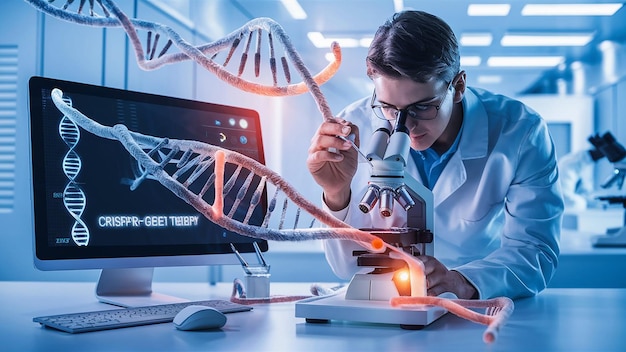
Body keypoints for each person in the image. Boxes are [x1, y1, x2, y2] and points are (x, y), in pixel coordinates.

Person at [306, 10, 563, 300]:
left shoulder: (519, 132)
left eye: (423, 107)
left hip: (476, 297)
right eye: (389, 108)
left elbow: (535, 252)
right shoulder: (355, 125)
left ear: (458, 87)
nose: (407, 125)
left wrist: (463, 282)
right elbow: (345, 267)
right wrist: (336, 193)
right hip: (389, 300)